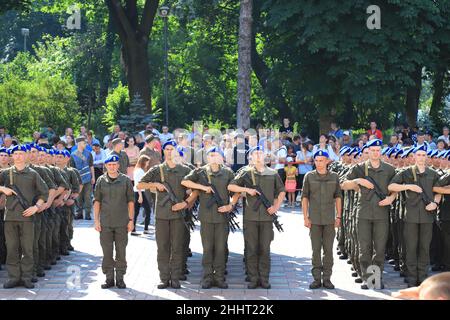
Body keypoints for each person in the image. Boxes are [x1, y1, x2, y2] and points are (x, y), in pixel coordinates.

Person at [137, 140, 197, 289]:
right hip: (162, 215)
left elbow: (196, 190)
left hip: (178, 215)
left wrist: (185, 203)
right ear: (163, 151)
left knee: (177, 247)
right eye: (167, 149)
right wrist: (154, 184)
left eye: (172, 149)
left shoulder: (184, 170)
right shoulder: (158, 169)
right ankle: (164, 278)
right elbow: (139, 184)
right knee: (162, 248)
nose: (170, 152)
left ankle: (175, 278)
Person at [341, 139, 397, 289]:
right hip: (363, 213)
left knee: (379, 249)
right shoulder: (359, 168)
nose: (375, 153)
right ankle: (367, 278)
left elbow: (394, 189)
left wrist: (391, 198)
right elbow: (343, 184)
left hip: (381, 214)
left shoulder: (389, 169)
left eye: (378, 150)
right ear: (368, 151)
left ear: (381, 151)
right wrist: (358, 181)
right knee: (364, 248)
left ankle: (376, 279)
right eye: (372, 150)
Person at [228, 145, 285, 289]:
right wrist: (247, 189)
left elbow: (281, 191)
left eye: (261, 153)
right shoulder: (246, 173)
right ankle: (253, 279)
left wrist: (276, 207)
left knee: (265, 249)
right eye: (256, 153)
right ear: (251, 157)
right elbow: (231, 187)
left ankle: (264, 279)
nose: (259, 156)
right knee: (252, 249)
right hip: (250, 217)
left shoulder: (272, 173)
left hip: (267, 217)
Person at [181, 147, 239, 289]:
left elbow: (236, 191)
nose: (213, 157)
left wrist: (231, 205)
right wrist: (201, 187)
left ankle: (219, 277)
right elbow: (185, 182)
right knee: (207, 248)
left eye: (216, 155)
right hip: (206, 217)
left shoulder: (227, 172)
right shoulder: (200, 172)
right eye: (211, 155)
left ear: (221, 157)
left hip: (222, 216)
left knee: (220, 248)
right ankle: (207, 277)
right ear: (207, 158)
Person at [388, 145, 440, 287]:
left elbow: (438, 190)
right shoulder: (406, 173)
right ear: (414, 157)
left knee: (424, 247)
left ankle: (422, 277)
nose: (422, 158)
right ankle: (411, 278)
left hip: (427, 217)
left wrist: (435, 203)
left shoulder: (433, 173)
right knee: (410, 248)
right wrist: (408, 187)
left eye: (424, 155)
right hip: (410, 216)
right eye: (419, 155)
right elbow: (391, 186)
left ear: (427, 157)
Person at [0, 145, 49, 289]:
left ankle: (27, 277)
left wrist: (36, 207)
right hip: (10, 217)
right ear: (12, 156)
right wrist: (2, 188)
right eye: (16, 154)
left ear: (26, 156)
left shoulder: (33, 174)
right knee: (12, 249)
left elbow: (44, 193)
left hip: (27, 217)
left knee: (27, 249)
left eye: (22, 154)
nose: (19, 156)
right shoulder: (5, 173)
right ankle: (14, 278)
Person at [302, 150, 342, 289]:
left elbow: (338, 197)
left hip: (329, 219)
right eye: (316, 160)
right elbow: (304, 197)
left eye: (321, 160)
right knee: (315, 250)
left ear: (327, 161)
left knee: (329, 250)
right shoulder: (309, 176)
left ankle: (327, 279)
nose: (318, 163)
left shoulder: (334, 177)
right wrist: (305, 217)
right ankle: (316, 279)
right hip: (314, 219)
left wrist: (338, 216)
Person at [94, 154, 134, 289]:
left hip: (122, 222)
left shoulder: (126, 180)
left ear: (118, 165)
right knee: (107, 252)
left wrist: (131, 220)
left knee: (121, 251)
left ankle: (120, 278)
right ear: (105, 166)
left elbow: (130, 202)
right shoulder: (101, 180)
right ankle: (109, 278)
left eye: (114, 164)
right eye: (109, 165)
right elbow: (97, 201)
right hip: (105, 223)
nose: (112, 167)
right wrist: (96, 221)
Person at [70, 137, 95, 220]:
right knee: (78, 197)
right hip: (78, 179)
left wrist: (93, 177)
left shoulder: (88, 153)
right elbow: (72, 169)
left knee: (88, 197)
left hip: (88, 178)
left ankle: (88, 214)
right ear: (79, 143)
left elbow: (91, 166)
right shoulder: (73, 155)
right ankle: (79, 213)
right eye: (84, 143)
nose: (86, 144)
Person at [131, 155, 152, 235]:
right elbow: (138, 184)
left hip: (138, 192)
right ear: (143, 162)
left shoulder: (139, 170)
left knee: (137, 212)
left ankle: (135, 230)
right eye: (147, 162)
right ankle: (144, 229)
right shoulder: (139, 171)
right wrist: (140, 195)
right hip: (138, 192)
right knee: (147, 210)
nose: (148, 164)